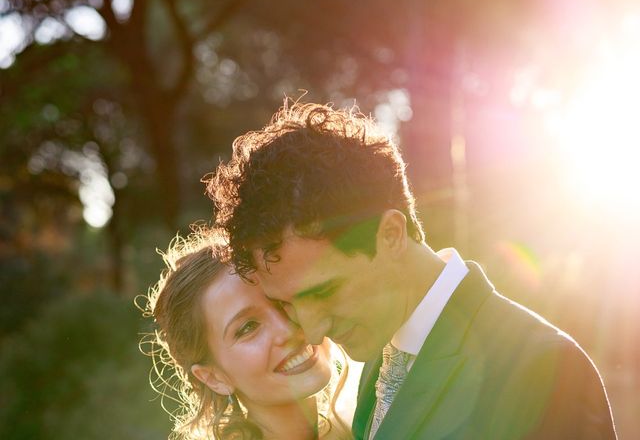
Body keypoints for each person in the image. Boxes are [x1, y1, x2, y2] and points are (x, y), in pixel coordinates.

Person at [207, 101, 617, 439]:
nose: (312, 332)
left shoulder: (541, 366)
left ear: (389, 235)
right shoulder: (375, 361)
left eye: (323, 291)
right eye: (287, 303)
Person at [138, 231, 351, 440]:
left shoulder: (367, 419)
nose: (287, 329)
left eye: (281, 302)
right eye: (248, 327)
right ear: (214, 377)